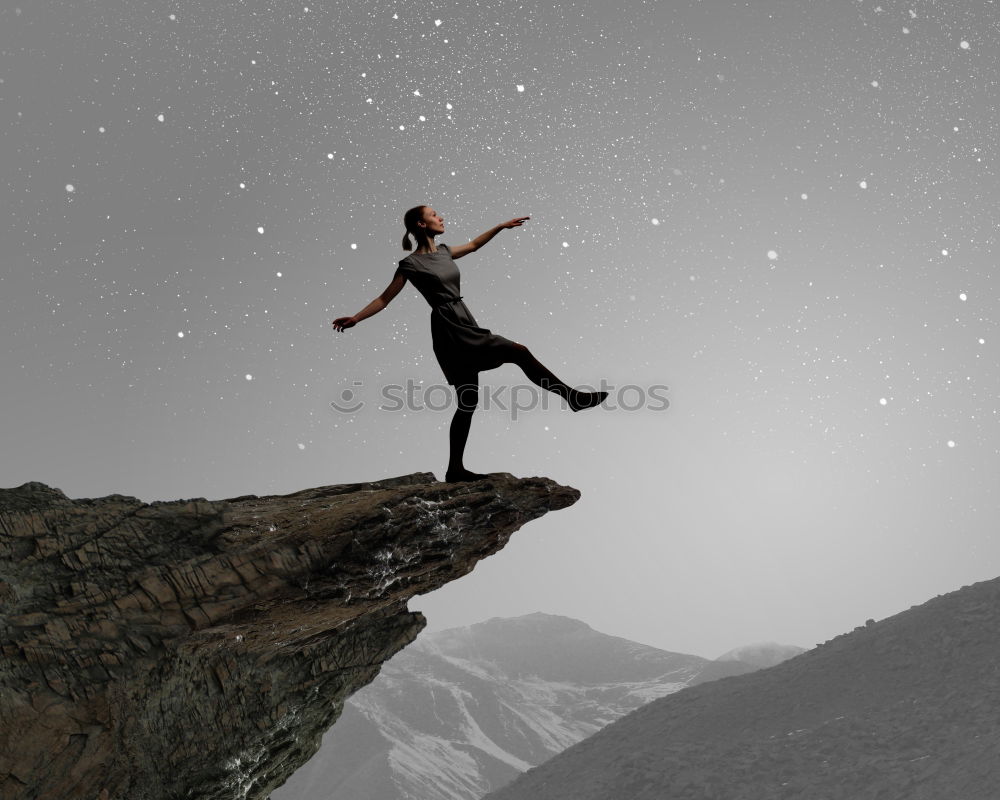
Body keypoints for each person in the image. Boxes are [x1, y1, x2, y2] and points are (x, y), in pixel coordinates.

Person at [332, 205, 607, 482]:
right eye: (434, 215)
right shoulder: (410, 265)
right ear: (421, 224)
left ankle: (455, 470)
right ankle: (572, 398)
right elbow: (384, 298)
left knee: (467, 401)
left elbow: (475, 244)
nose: (441, 217)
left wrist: (500, 226)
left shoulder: (444, 251)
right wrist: (357, 317)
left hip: (463, 320)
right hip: (449, 329)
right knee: (518, 352)